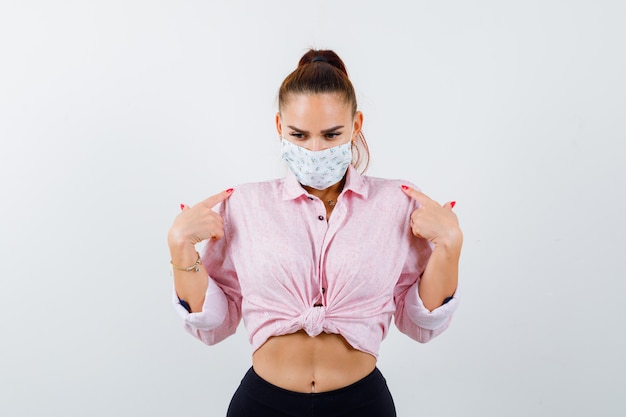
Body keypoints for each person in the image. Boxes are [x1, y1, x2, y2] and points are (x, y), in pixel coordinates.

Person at [168, 49, 462, 417]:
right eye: (299, 134)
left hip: (362, 404)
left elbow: (419, 324)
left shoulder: (397, 203)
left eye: (331, 134)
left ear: (356, 126)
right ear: (279, 127)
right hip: (262, 405)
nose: (316, 149)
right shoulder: (244, 204)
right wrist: (181, 248)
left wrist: (450, 245)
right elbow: (214, 324)